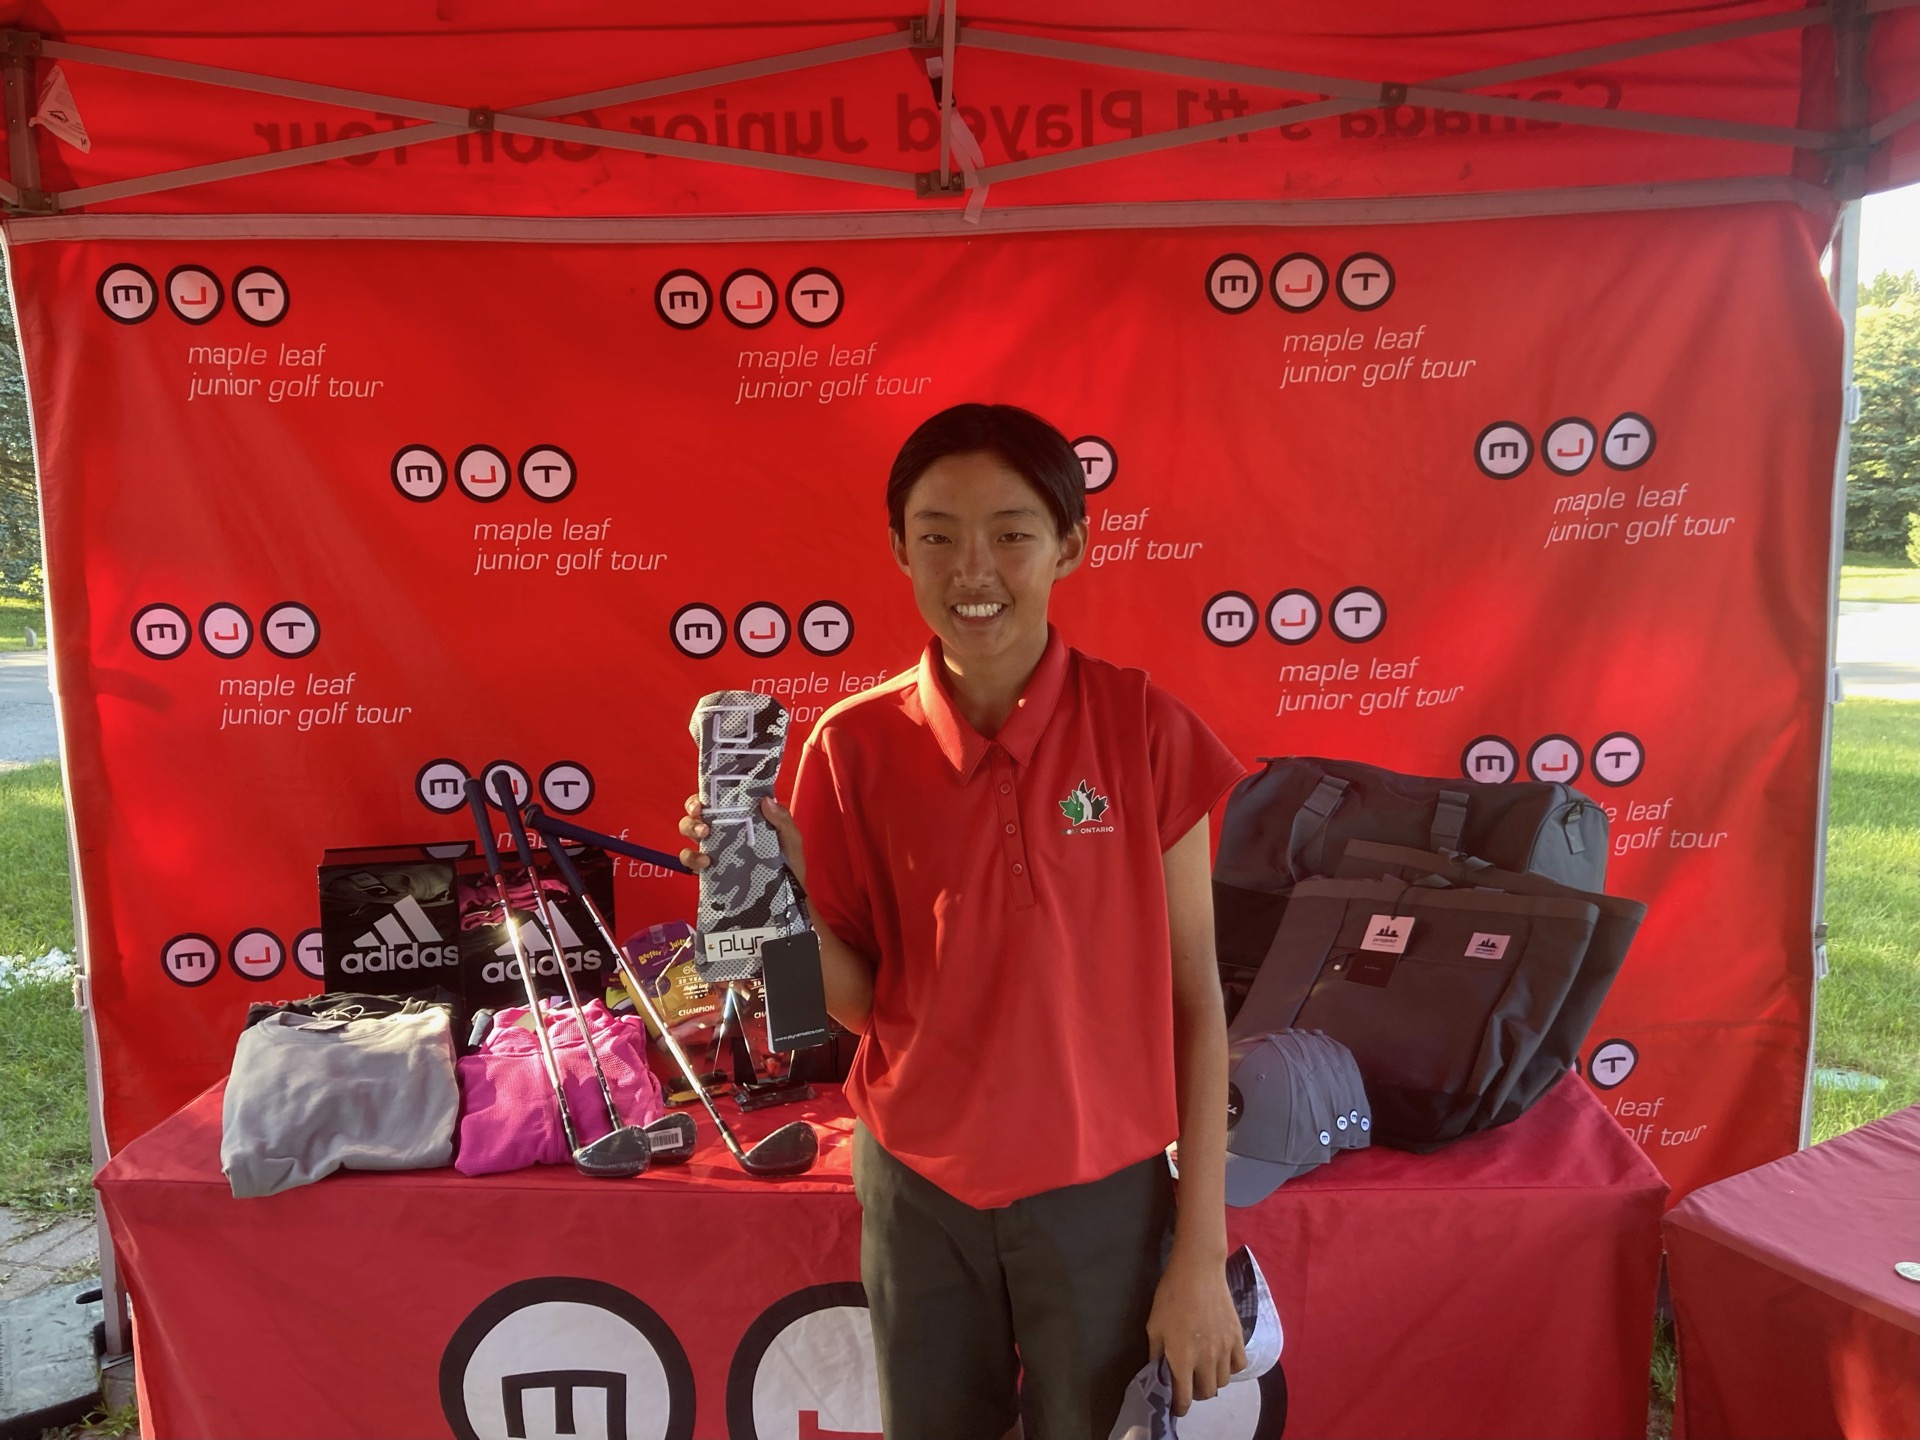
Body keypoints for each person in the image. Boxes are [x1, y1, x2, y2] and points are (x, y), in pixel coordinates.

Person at [680, 403, 1247, 1438]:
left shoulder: (1143, 730)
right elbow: (851, 1009)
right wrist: (774, 905)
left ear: (1069, 545)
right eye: (937, 535)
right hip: (919, 1192)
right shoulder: (852, 747)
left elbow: (1197, 1002)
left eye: (1010, 533)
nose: (971, 568)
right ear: (901, 550)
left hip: (1102, 1192)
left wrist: (1201, 1253)